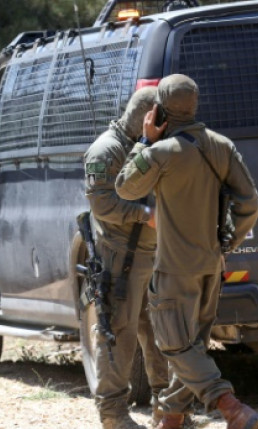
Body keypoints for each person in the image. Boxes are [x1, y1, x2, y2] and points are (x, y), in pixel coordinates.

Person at [116, 74, 258, 429]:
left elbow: (124, 187)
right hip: (212, 265)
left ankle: (232, 408)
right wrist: (229, 243)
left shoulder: (161, 152)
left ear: (160, 110)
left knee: (175, 347)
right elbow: (251, 204)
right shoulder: (221, 146)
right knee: (192, 345)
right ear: (196, 104)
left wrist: (144, 142)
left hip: (173, 269)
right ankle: (172, 419)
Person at [84, 87, 171, 429]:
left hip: (153, 253)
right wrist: (145, 214)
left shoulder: (154, 147)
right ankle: (113, 414)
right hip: (120, 257)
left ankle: (168, 410)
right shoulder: (106, 150)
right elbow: (102, 204)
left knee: (162, 333)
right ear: (149, 118)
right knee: (118, 333)